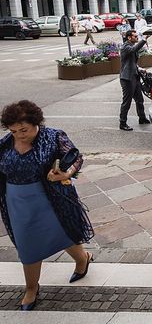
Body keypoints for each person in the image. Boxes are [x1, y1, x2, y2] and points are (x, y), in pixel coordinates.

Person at [0, 100, 94, 311]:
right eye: (14, 131)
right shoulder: (6, 143)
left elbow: (76, 157)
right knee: (27, 245)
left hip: (49, 198)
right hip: (18, 204)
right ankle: (31, 288)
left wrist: (66, 173)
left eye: (23, 129)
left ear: (35, 122)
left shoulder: (53, 136)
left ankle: (82, 259)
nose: (19, 135)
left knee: (63, 233)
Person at [119, 30, 150, 131]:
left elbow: (131, 62)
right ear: (129, 38)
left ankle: (142, 118)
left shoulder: (131, 46)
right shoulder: (125, 47)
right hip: (127, 78)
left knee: (139, 100)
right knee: (126, 102)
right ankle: (122, 123)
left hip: (134, 76)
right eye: (135, 36)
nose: (137, 38)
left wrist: (139, 69)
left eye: (137, 36)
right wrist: (144, 39)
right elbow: (133, 50)